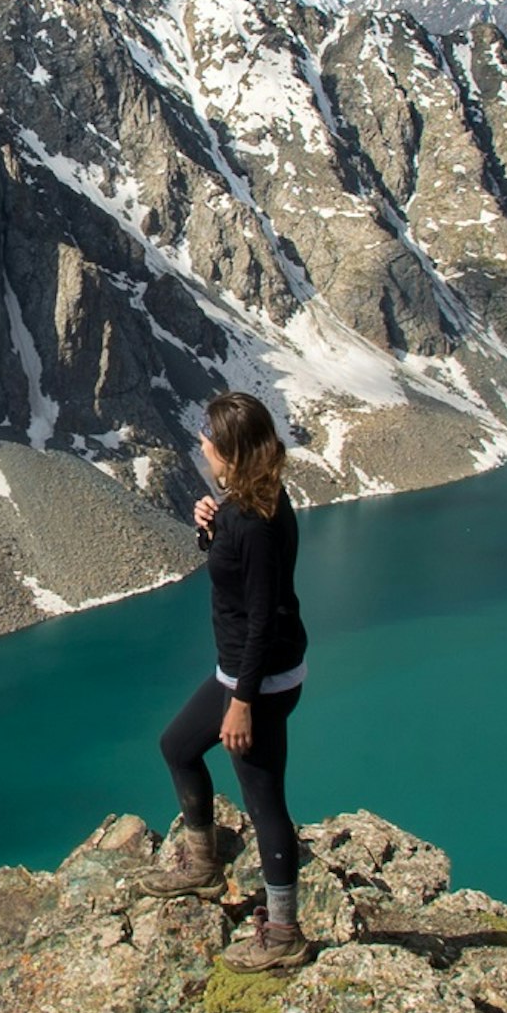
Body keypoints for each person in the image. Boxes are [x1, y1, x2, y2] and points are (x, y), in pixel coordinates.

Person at [143, 389, 311, 969]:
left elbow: (264, 615)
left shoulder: (256, 521)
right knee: (178, 746)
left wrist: (241, 703)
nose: (202, 447)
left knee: (264, 800)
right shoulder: (249, 506)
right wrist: (210, 528)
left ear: (232, 452)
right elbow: (238, 574)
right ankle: (204, 865)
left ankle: (285, 934)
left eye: (210, 441)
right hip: (245, 672)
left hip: (256, 681)